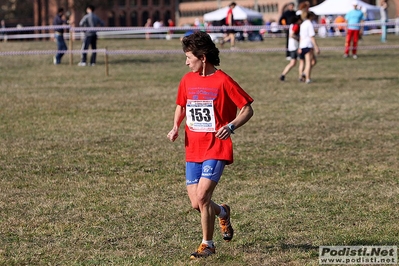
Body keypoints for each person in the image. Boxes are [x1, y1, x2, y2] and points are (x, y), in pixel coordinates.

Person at [167, 31, 254, 259]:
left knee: (204, 196)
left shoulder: (223, 80)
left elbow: (247, 109)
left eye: (189, 57)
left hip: (216, 146)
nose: (186, 61)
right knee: (197, 203)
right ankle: (223, 212)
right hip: (193, 147)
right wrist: (176, 126)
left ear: (202, 57)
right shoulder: (187, 79)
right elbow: (182, 105)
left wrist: (232, 126)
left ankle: (208, 245)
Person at [298, 11, 320, 84]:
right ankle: (307, 78)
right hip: (308, 45)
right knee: (308, 63)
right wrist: (316, 47)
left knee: (313, 61)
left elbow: (301, 36)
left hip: (302, 45)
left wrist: (300, 46)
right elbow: (311, 36)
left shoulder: (302, 24)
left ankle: (304, 73)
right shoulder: (309, 24)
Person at [280, 15, 301, 81]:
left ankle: (283, 75)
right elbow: (292, 34)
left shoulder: (291, 25)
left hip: (292, 46)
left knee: (292, 63)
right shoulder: (296, 26)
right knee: (302, 62)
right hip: (296, 46)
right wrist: (298, 39)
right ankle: (301, 77)